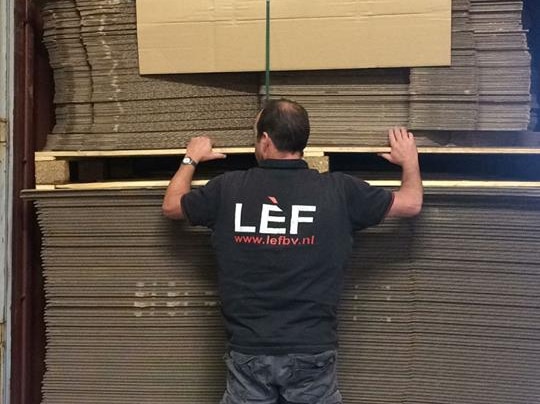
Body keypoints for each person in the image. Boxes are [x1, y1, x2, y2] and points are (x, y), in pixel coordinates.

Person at [162, 99, 423, 404]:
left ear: (265, 140)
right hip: (312, 352)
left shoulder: (228, 188)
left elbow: (171, 206)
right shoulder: (340, 191)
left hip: (249, 351)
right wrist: (410, 161)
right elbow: (411, 203)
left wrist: (191, 159)